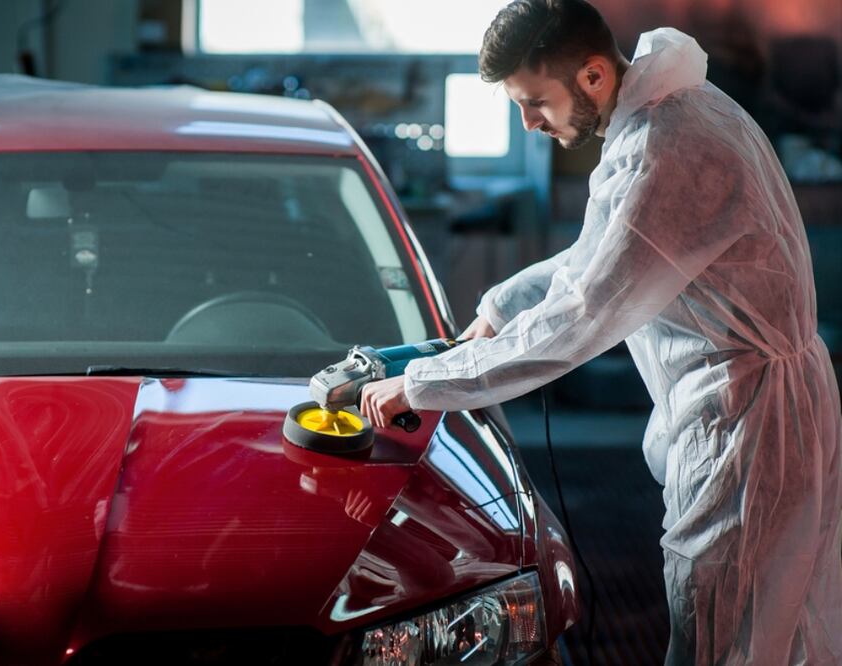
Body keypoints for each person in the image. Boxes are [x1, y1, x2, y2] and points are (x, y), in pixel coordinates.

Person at [359, 0, 842, 662]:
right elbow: (608, 252)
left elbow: (582, 318)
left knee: (721, 622)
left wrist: (422, 384)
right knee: (775, 625)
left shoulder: (660, 150)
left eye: (536, 103)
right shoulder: (675, 106)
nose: (529, 123)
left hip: (748, 423)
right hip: (767, 404)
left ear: (590, 76)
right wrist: (503, 307)